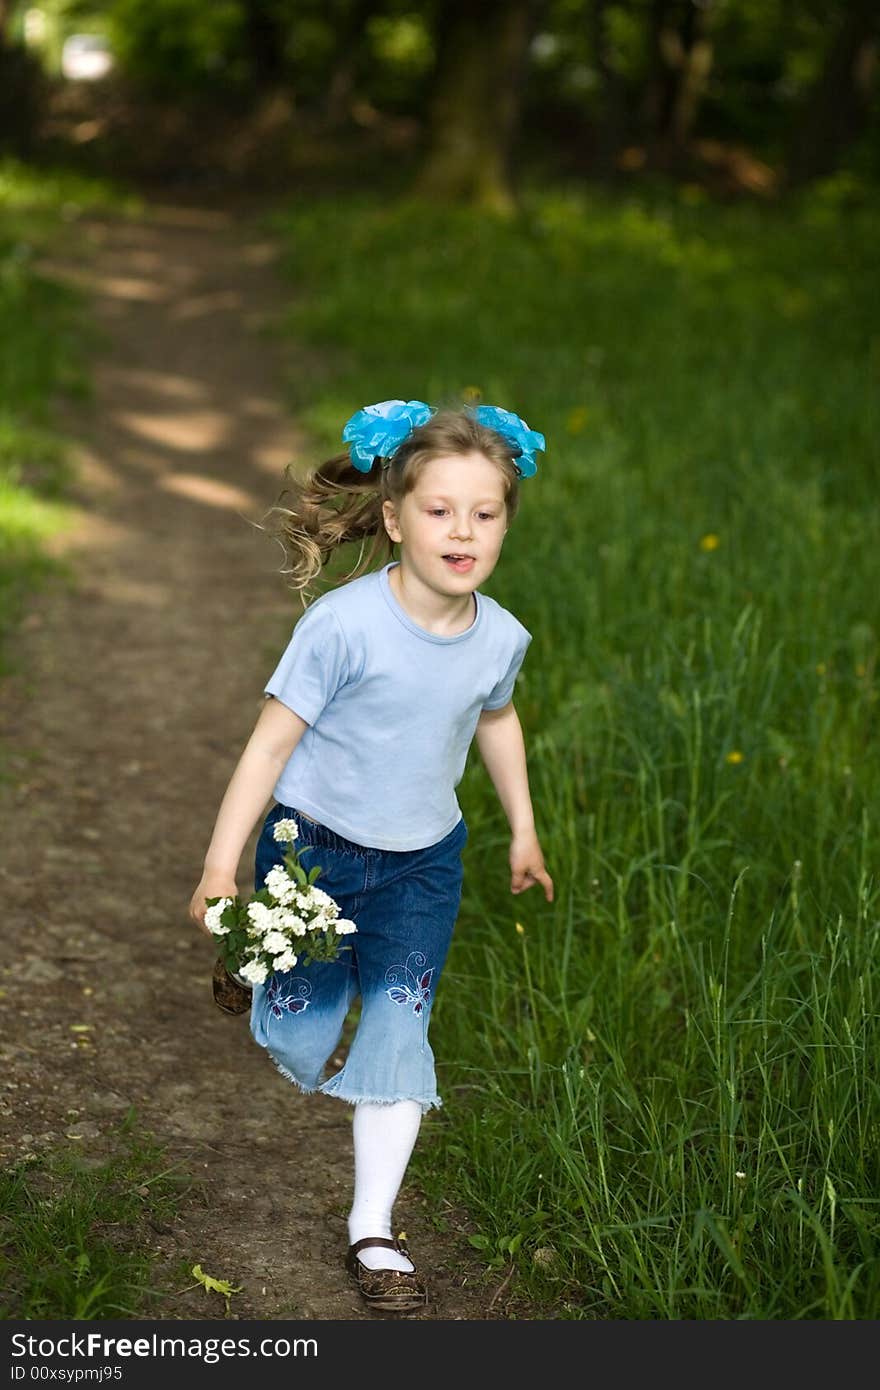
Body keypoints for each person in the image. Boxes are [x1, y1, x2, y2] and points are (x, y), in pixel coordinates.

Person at [189, 398, 554, 1313]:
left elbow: (497, 720)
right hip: (310, 857)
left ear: (507, 522)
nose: (462, 531)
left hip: (423, 867)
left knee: (399, 1033)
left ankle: (375, 1231)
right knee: (304, 1033)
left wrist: (523, 828)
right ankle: (257, 959)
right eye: (439, 511)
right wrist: (220, 868)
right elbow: (269, 749)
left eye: (485, 512)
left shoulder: (500, 637)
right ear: (394, 518)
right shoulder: (344, 628)